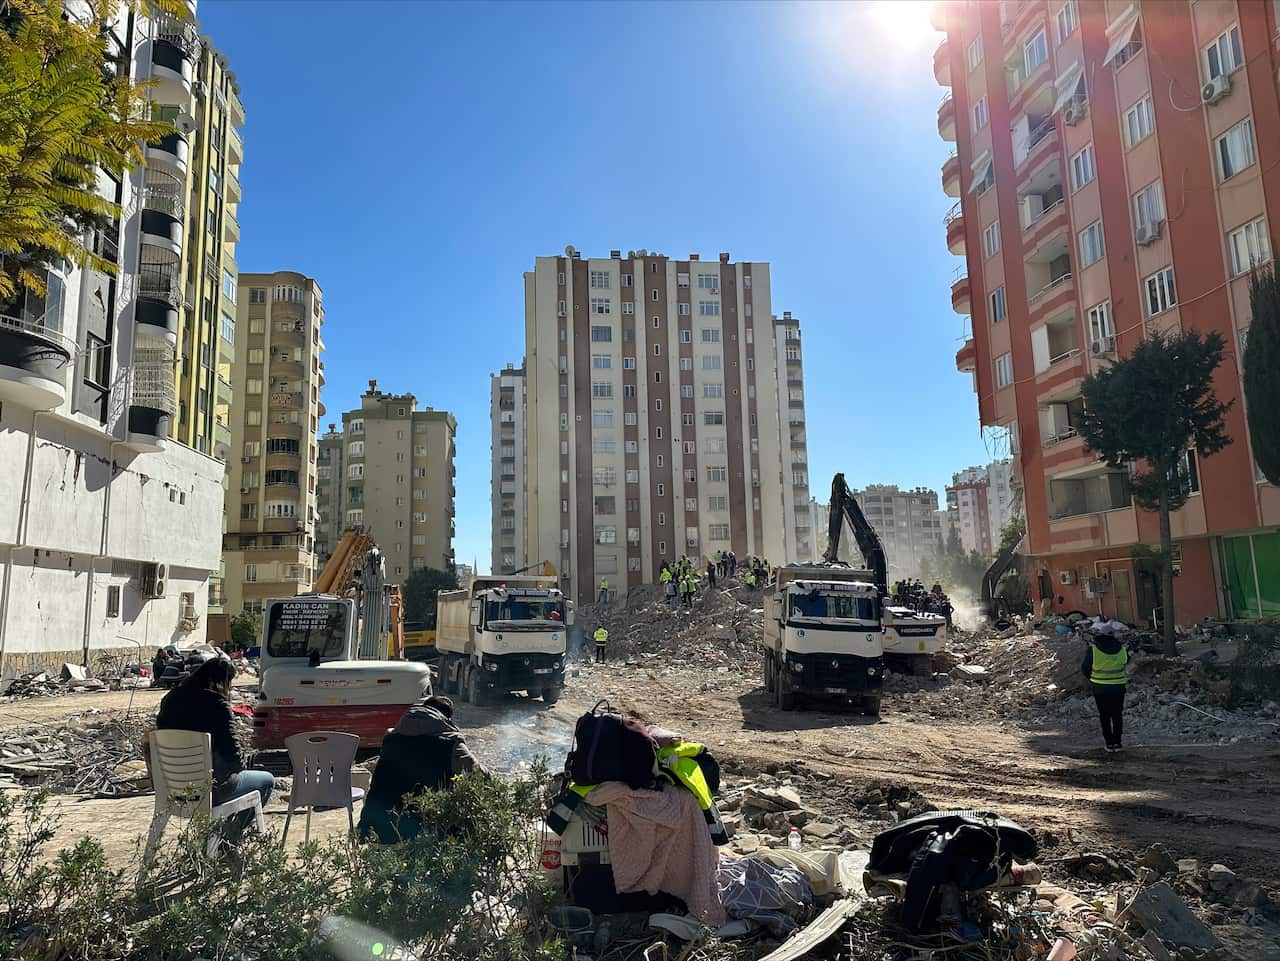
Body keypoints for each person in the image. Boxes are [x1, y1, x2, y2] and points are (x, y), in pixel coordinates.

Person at [358, 695, 486, 844]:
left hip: (381, 826)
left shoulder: (391, 739)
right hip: (430, 831)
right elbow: (479, 774)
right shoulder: (451, 743)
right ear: (447, 718)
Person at [155, 657, 274, 808]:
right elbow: (233, 757)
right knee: (267, 780)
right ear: (220, 681)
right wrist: (246, 764)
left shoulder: (169, 700)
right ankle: (231, 830)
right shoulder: (217, 705)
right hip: (210, 789)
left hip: (175, 787)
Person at [1081, 631, 1128, 752]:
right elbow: (1127, 662)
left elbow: (1085, 668)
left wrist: (1092, 678)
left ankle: (1109, 743)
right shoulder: (1122, 649)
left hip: (1099, 688)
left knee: (1105, 716)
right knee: (1117, 715)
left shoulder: (1093, 650)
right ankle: (1118, 743)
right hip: (1118, 687)